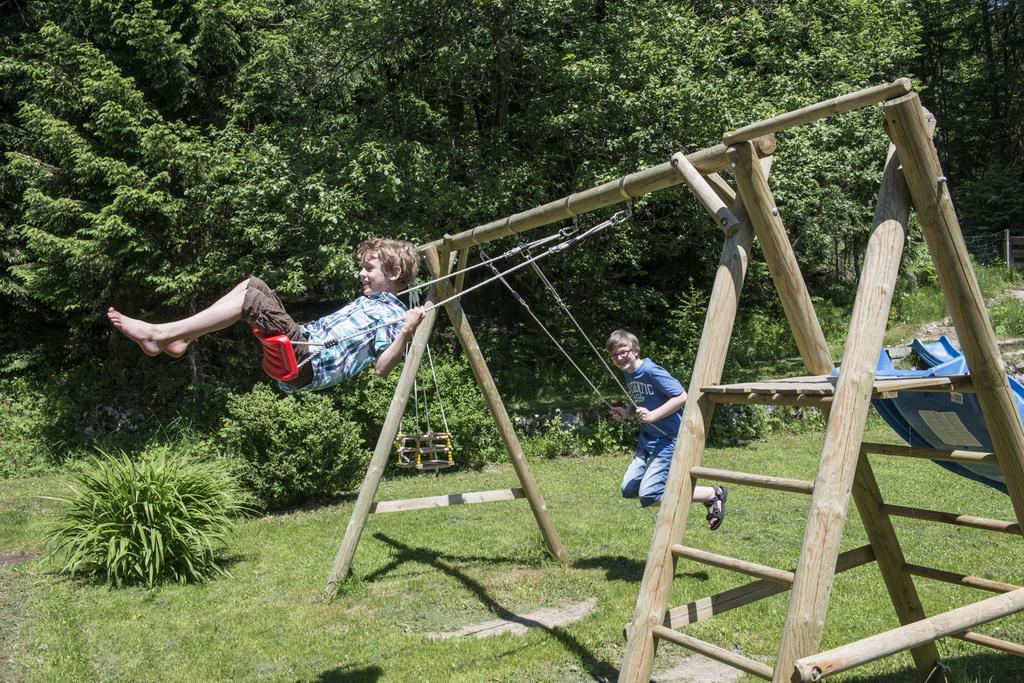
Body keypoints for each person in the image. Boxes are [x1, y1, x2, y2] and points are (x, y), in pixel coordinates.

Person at [107, 237, 427, 393]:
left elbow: (383, 368)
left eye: (368, 268)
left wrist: (407, 330)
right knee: (253, 284)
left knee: (251, 300)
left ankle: (161, 334)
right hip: (305, 342)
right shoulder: (370, 302)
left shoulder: (395, 315)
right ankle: (181, 339)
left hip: (308, 361)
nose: (361, 273)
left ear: (395, 272)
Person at [607, 329, 727, 530]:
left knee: (650, 495)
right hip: (646, 441)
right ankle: (677, 487)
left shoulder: (651, 370)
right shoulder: (630, 373)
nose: (619, 358)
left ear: (635, 350)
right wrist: (628, 411)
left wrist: (653, 416)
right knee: (628, 489)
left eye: (623, 352)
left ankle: (712, 494)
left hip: (666, 440)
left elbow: (682, 396)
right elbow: (641, 402)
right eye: (614, 355)